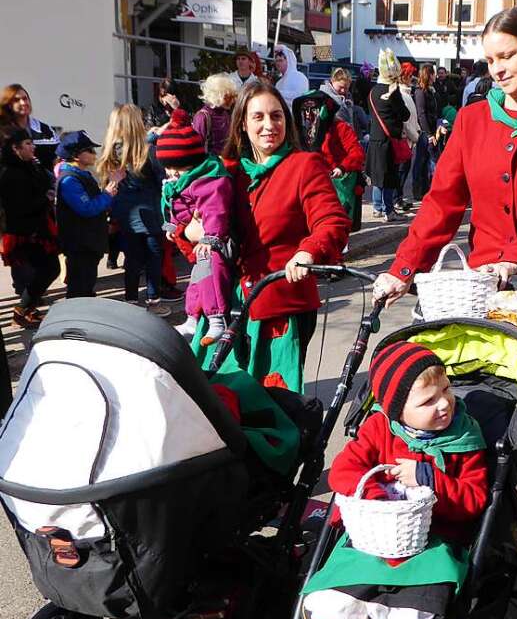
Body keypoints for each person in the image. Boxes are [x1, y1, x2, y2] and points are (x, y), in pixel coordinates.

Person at [373, 7, 517, 501]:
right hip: (483, 284)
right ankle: (467, 484)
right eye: (490, 58)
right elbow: (442, 203)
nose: (497, 67)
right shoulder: (474, 120)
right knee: (474, 390)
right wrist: (402, 269)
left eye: (508, 54)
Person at [270, 343, 488, 619]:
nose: (444, 405)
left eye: (447, 391)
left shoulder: (466, 440)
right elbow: (342, 473)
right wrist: (374, 494)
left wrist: (429, 480)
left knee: (407, 618)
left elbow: (473, 499)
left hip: (434, 543)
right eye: (428, 401)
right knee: (339, 605)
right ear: (396, 410)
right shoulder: (378, 429)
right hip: (373, 534)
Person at [214, 81, 350, 391]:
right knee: (224, 399)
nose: (268, 125)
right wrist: (189, 231)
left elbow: (332, 220)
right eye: (258, 117)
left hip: (281, 304)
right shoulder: (229, 173)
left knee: (274, 402)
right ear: (243, 125)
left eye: (276, 116)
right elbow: (203, 225)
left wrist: (308, 251)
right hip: (230, 303)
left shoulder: (304, 165)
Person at [157, 109, 235, 344]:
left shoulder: (209, 180)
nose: (172, 174)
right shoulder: (181, 179)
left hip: (214, 241)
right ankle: (193, 316)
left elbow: (215, 210)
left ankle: (216, 319)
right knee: (196, 281)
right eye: (169, 168)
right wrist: (172, 225)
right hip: (197, 239)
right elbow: (171, 204)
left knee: (210, 275)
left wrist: (210, 238)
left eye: (177, 169)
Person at [96, 104, 171, 316]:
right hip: (150, 213)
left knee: (132, 259)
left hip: (125, 215)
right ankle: (154, 301)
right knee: (154, 258)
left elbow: (107, 183)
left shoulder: (111, 150)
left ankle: (130, 299)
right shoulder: (147, 150)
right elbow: (160, 180)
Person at [0, 129, 60, 328]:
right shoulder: (10, 173)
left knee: (46, 269)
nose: (32, 147)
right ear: (15, 148)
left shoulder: (30, 166)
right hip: (25, 233)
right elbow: (18, 207)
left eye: (31, 143)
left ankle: (26, 308)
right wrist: (45, 198)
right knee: (49, 269)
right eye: (27, 144)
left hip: (37, 228)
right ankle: (22, 310)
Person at [54, 131, 122, 298]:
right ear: (77, 156)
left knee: (87, 280)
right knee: (79, 285)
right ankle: (77, 317)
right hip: (79, 242)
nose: (94, 154)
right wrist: (107, 194)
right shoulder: (69, 180)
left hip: (88, 240)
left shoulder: (82, 175)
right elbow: (86, 208)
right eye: (90, 150)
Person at [365, 48, 410, 222]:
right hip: (390, 139)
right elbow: (404, 114)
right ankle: (389, 210)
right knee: (390, 177)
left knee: (377, 175)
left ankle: (377, 207)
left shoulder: (372, 91)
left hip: (375, 137)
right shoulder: (393, 91)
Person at [0, 84, 60, 171]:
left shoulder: (44, 129)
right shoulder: (3, 131)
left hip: (42, 181)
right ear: (8, 104)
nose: (23, 103)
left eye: (25, 98)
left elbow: (58, 156)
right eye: (17, 100)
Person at [394, 62, 421, 212]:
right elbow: (405, 119)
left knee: (405, 170)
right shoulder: (402, 95)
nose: (412, 78)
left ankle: (399, 197)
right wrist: (414, 134)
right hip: (406, 138)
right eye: (409, 75)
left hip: (410, 137)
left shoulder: (406, 93)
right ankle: (396, 199)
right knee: (402, 170)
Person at [193, 72, 239, 156]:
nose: (233, 100)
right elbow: (197, 148)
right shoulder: (202, 117)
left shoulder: (225, 113)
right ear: (218, 96)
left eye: (233, 96)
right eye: (229, 96)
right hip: (211, 165)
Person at [412, 63, 439, 201]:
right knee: (422, 161)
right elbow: (421, 114)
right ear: (429, 75)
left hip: (432, 129)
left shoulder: (430, 91)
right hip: (424, 132)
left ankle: (426, 189)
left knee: (428, 161)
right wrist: (428, 133)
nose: (435, 76)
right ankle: (418, 190)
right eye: (433, 73)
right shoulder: (420, 92)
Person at [273, 45, 309, 110]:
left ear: (289, 61)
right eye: (277, 61)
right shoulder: (278, 83)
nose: (278, 63)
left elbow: (300, 97)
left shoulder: (300, 77)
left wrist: (277, 93)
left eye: (280, 60)